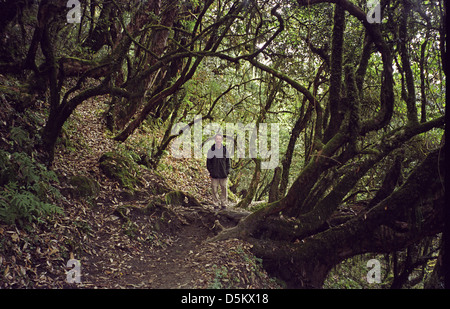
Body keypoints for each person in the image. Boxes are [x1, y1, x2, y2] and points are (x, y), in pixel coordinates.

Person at [206, 133, 230, 209]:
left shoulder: (225, 150)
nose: (218, 140)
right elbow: (208, 162)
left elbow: (228, 162)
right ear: (215, 140)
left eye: (220, 139)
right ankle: (216, 204)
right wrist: (211, 171)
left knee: (224, 189)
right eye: (217, 139)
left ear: (221, 140)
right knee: (214, 189)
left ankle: (224, 204)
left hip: (223, 174)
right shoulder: (211, 150)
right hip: (214, 175)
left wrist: (227, 172)